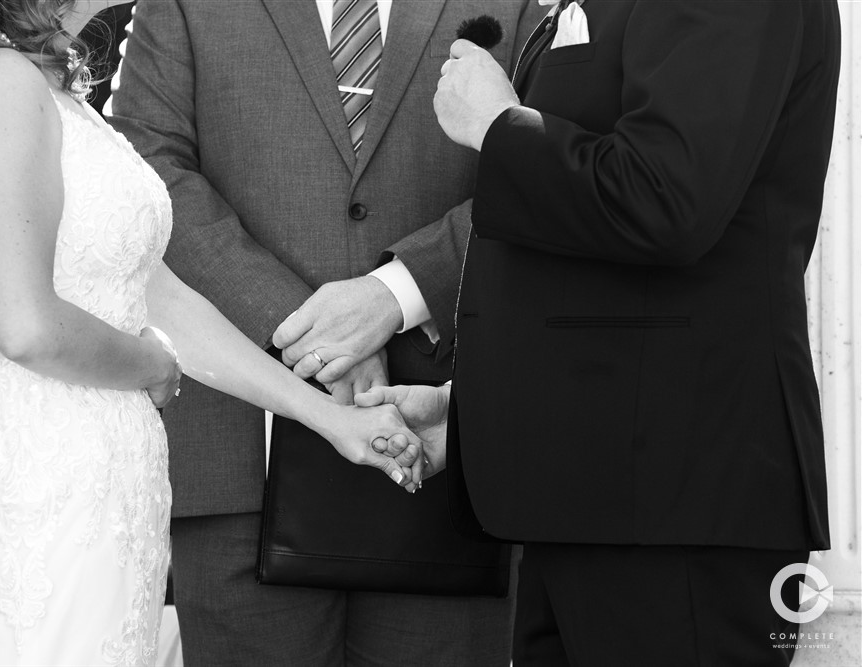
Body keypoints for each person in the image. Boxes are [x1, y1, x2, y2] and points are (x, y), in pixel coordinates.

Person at [0, 1, 424, 664]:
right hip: (32, 496)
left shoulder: (44, 86)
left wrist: (327, 418)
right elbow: (22, 324)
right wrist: (153, 365)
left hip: (106, 496)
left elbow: (162, 298)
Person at [359, 0, 842, 664]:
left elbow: (667, 198)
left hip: (674, 511)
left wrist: (500, 126)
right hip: (595, 501)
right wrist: (471, 406)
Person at [107, 0, 547, 664]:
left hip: (444, 458)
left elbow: (543, 169)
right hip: (238, 463)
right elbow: (145, 166)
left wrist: (394, 295)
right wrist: (312, 333)